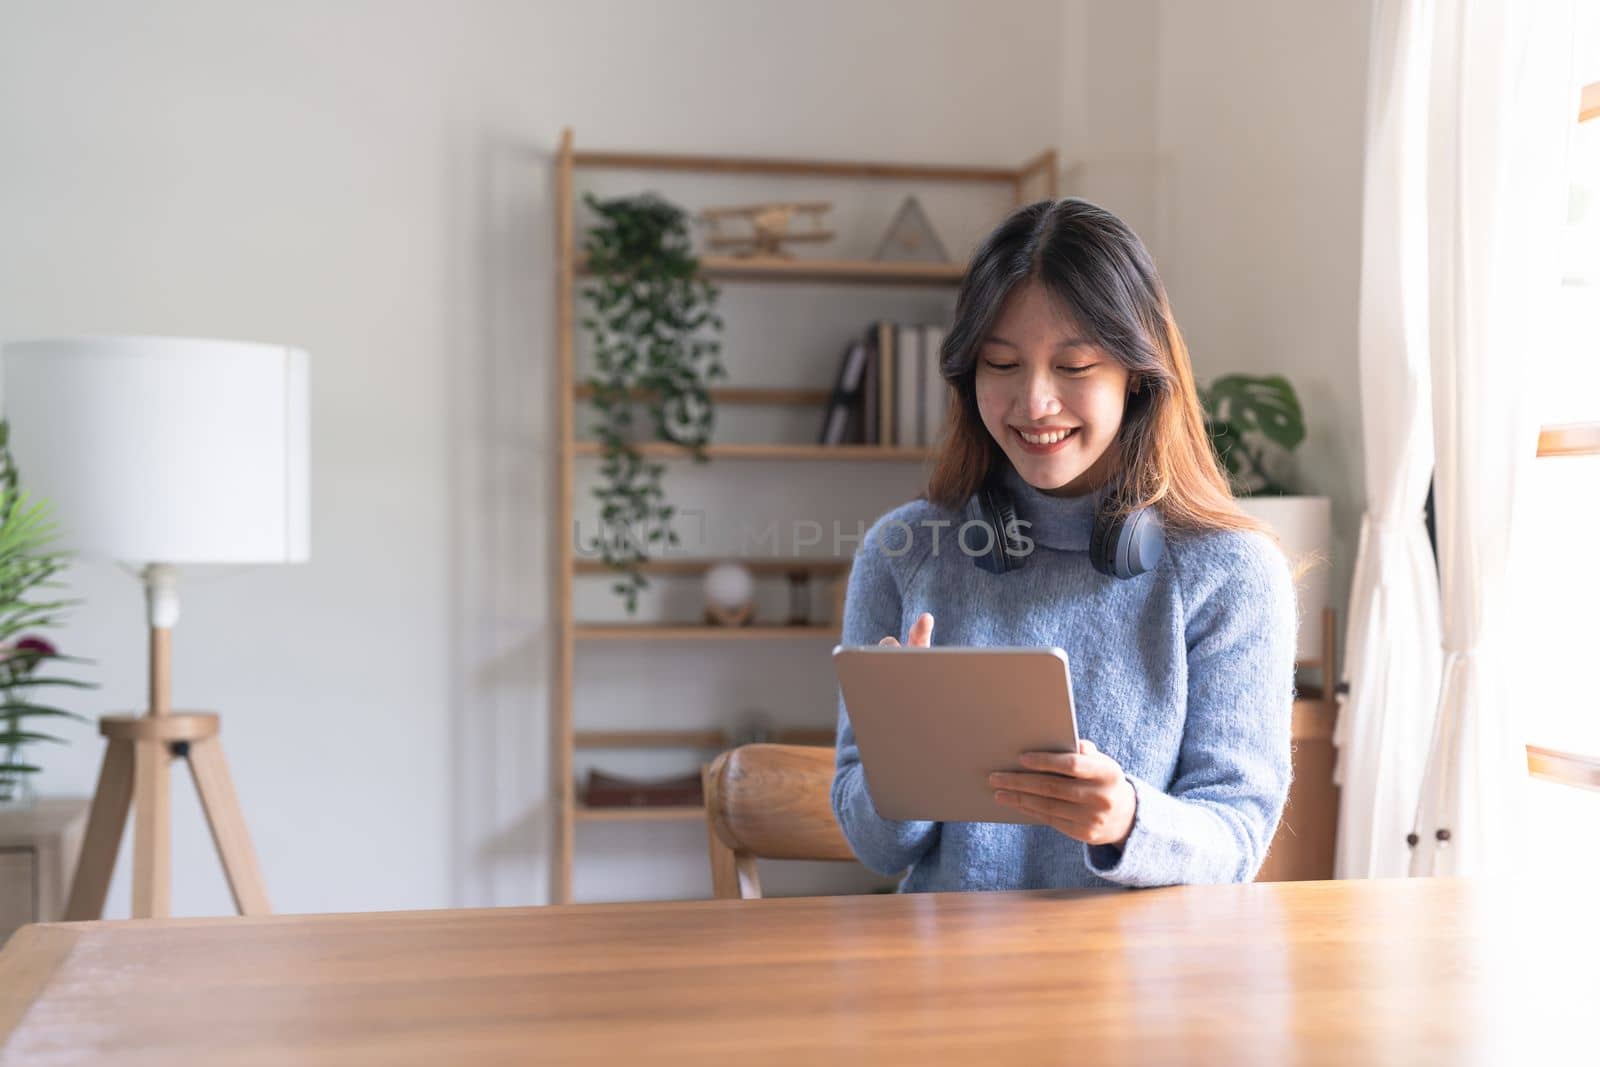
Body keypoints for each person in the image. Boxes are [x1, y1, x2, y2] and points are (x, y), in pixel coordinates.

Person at [831, 197, 1297, 891]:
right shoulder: (904, 550)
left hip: (1136, 988)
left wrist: (1128, 818)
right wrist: (905, 759)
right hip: (944, 982)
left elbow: (1237, 838)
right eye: (1001, 364)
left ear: (1137, 375)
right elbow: (875, 847)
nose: (1033, 402)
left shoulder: (1230, 572)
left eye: (1074, 366)